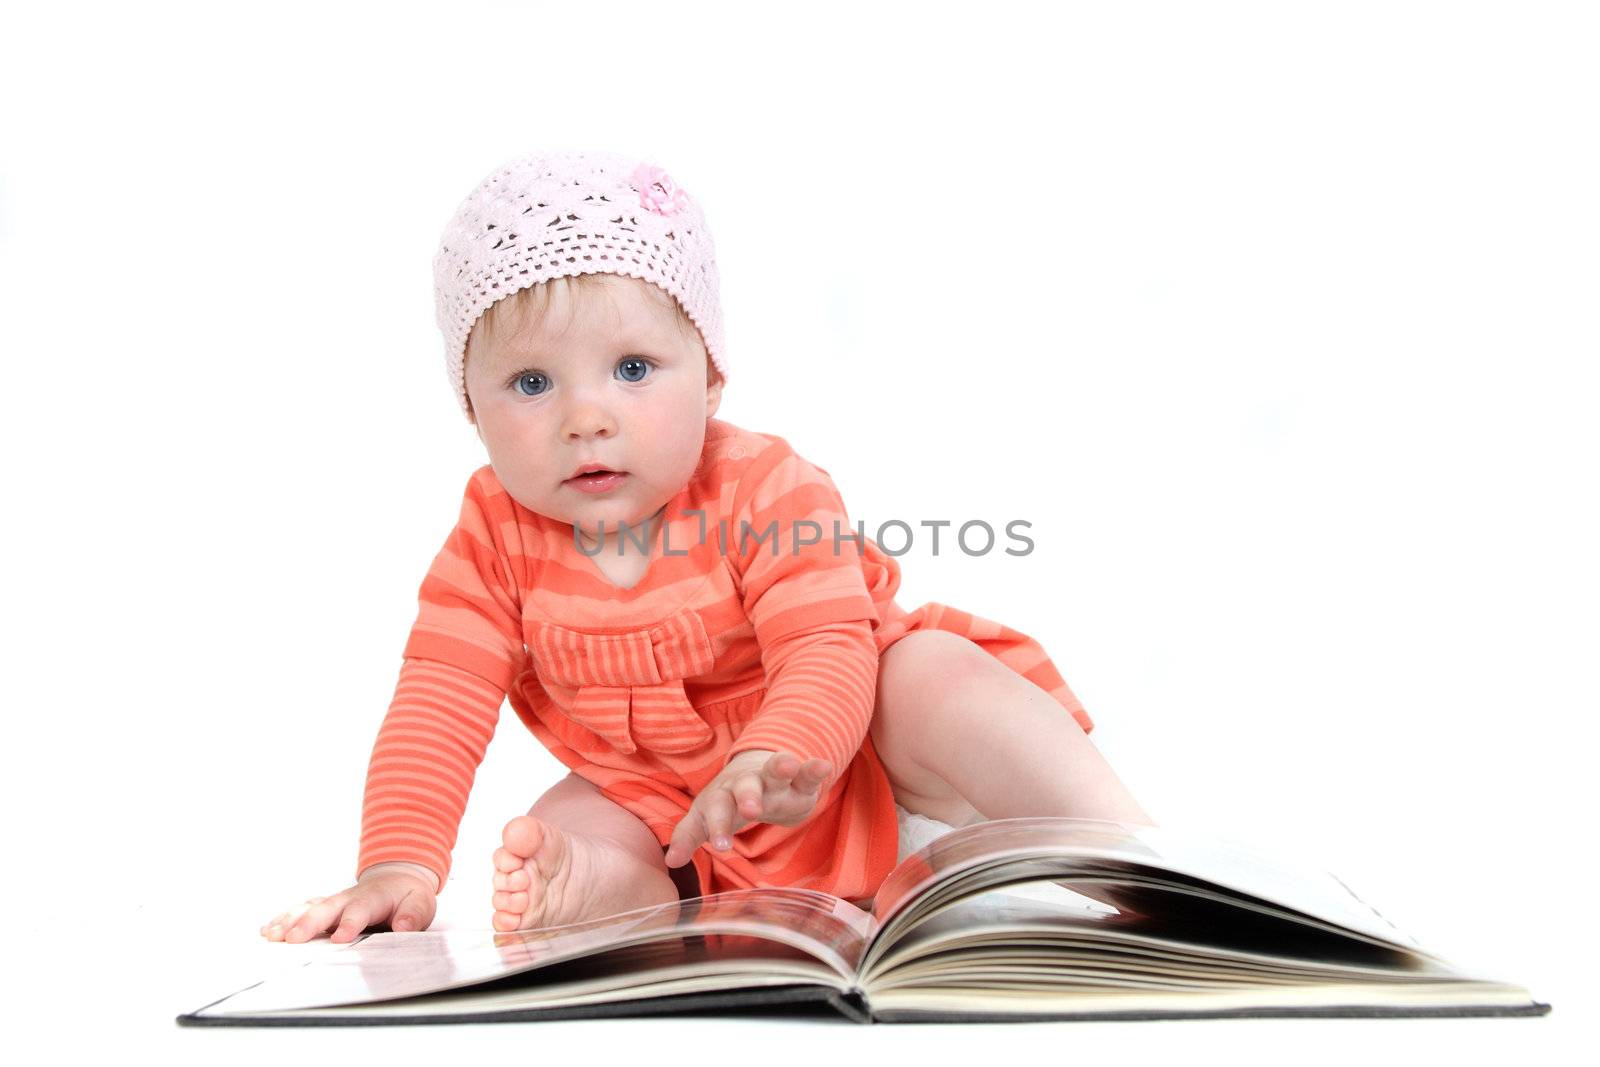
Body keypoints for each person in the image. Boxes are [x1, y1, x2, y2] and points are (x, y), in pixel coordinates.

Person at [260, 150, 1152, 944]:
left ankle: (1137, 855)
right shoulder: (494, 529)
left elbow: (824, 646)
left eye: (634, 369)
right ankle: (615, 890)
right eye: (531, 382)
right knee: (578, 810)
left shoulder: (764, 485)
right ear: (470, 407)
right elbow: (440, 695)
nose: (587, 418)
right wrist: (399, 864)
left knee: (929, 673)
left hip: (856, 770)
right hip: (683, 815)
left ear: (712, 372)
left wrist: (779, 753)